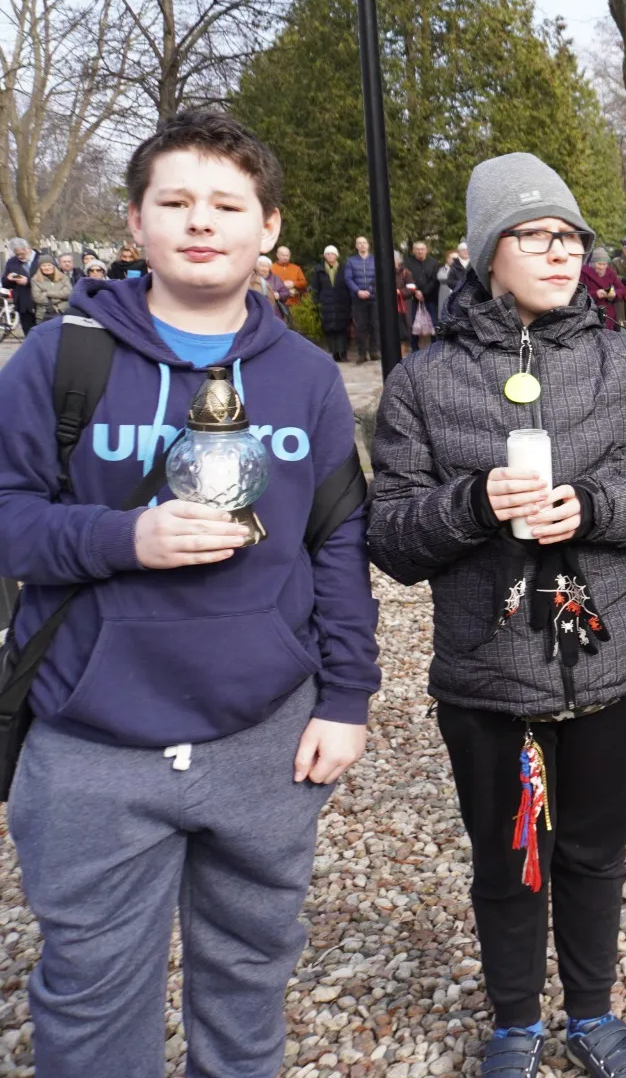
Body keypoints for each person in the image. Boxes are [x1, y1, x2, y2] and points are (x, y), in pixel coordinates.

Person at [0, 110, 379, 1076]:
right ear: (136, 225)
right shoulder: (62, 359)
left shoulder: (303, 374)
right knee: (89, 998)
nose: (200, 222)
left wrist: (346, 697)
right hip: (93, 743)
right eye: (174, 201)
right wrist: (123, 537)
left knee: (250, 983)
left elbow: (338, 543)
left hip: (264, 738)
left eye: (226, 204)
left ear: (270, 230)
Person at [368, 152, 626, 1078]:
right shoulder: (424, 383)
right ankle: (517, 1023)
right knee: (512, 864)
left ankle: (594, 1015)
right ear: (489, 254)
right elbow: (391, 538)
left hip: (619, 669)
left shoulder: (623, 362)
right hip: (491, 682)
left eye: (569, 237)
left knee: (596, 855)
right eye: (534, 235)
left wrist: (596, 506)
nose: (560, 253)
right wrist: (474, 504)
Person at [310, 243, 353, 361]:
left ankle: (343, 353)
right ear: (324, 256)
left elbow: (349, 284)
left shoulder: (344, 269)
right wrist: (315, 302)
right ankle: (334, 353)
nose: (330, 256)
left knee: (342, 328)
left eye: (332, 254)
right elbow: (315, 288)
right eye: (327, 254)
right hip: (326, 303)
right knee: (329, 328)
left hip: (342, 301)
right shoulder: (319, 270)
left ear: (336, 256)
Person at [345, 234, 378, 361]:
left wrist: (369, 290)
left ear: (368, 245)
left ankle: (374, 351)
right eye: (359, 243)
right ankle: (362, 353)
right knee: (360, 326)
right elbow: (348, 278)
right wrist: (358, 291)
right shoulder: (351, 261)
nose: (362, 245)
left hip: (373, 297)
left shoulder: (374, 260)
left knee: (375, 325)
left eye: (364, 242)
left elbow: (377, 277)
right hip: (357, 298)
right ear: (356, 246)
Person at [402, 238, 440, 350]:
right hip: (413, 298)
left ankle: (435, 348)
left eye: (422, 249)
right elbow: (407, 279)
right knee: (413, 324)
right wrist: (416, 292)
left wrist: (424, 293)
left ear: (426, 250)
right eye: (417, 249)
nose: (420, 251)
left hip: (430, 298)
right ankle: (414, 349)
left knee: (434, 323)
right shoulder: (407, 262)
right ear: (413, 250)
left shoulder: (433, 262)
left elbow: (435, 280)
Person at [582, 245, 626, 331]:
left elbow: (623, 290)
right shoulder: (584, 273)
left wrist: (614, 294)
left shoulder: (611, 273)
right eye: (599, 264)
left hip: (609, 314)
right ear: (592, 263)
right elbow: (579, 293)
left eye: (605, 264)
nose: (602, 267)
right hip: (590, 311)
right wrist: (595, 294)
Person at [6, 238, 37, 335]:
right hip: (23, 305)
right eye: (17, 254)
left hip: (41, 304)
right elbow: (5, 283)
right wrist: (9, 278)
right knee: (29, 336)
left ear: (28, 249)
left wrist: (27, 282)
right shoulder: (12, 262)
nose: (19, 256)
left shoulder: (41, 259)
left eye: (21, 253)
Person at [30, 256, 70, 322]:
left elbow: (68, 293)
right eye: (44, 265)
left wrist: (47, 294)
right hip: (44, 314)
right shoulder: (35, 280)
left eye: (49, 265)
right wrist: (60, 298)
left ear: (53, 266)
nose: (47, 268)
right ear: (40, 267)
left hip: (64, 312)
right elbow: (38, 298)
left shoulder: (63, 277)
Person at [252, 253, 291, 321]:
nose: (264, 268)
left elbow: (286, 292)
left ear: (269, 268)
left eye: (266, 266)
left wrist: (279, 295)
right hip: (256, 312)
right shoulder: (252, 279)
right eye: (261, 266)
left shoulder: (275, 278)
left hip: (275, 313)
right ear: (256, 267)